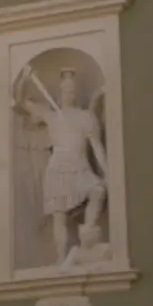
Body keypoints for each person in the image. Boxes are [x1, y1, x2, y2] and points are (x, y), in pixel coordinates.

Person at [16, 67, 108, 266]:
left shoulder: (86, 117)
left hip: (80, 167)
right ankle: (60, 258)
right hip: (58, 168)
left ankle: (88, 235)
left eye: (72, 91)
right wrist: (24, 80)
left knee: (98, 190)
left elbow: (97, 147)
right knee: (59, 215)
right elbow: (23, 102)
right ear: (60, 94)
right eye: (66, 91)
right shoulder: (51, 115)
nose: (69, 94)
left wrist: (107, 172)